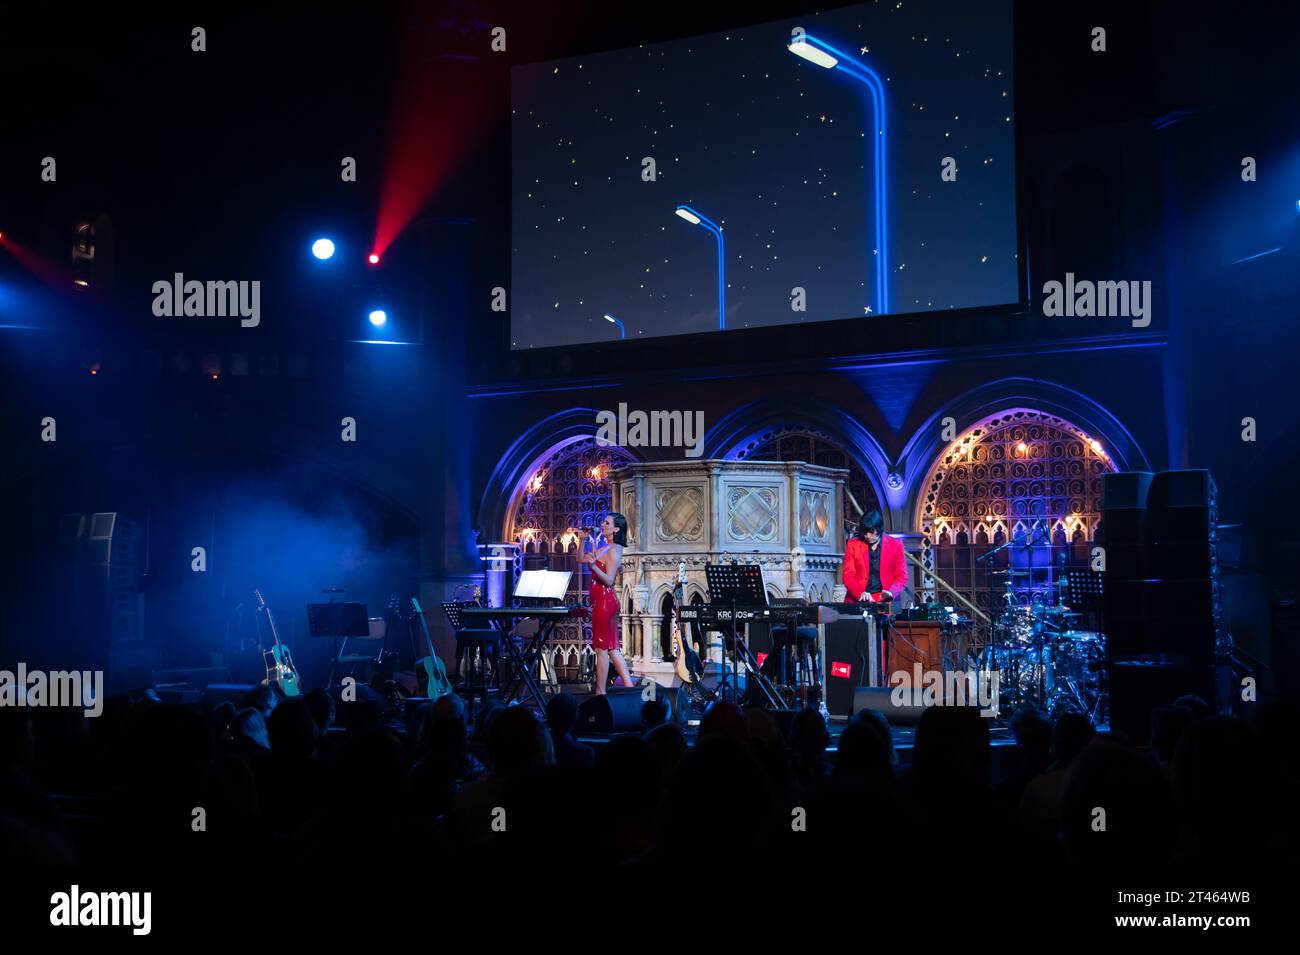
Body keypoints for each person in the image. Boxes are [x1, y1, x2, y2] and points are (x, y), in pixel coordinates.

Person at [580, 512, 634, 694]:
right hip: (604, 602)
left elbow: (610, 580)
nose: (603, 525)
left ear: (616, 529)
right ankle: (629, 688)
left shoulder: (614, 549)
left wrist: (594, 566)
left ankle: (600, 693)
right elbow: (581, 559)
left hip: (605, 603)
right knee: (611, 648)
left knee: (601, 649)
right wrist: (582, 541)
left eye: (607, 523)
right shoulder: (605, 547)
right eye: (603, 522)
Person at [842, 509, 907, 604]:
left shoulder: (895, 545)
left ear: (879, 529)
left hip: (884, 600)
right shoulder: (853, 545)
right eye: (865, 532)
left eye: (871, 532)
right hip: (858, 600)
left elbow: (902, 576)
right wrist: (861, 593)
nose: (867, 536)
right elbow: (848, 575)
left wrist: (891, 592)